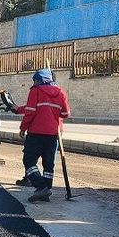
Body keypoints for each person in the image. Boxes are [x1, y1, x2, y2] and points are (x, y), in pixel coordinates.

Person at [19, 68, 70, 203]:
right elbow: (65, 114)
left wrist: (23, 128)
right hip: (53, 134)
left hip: (36, 133)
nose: (34, 83)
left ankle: (41, 187)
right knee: (48, 164)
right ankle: (46, 190)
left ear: (39, 80)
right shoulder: (61, 92)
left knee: (29, 161)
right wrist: (53, 113)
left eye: (35, 80)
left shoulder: (35, 91)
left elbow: (30, 111)